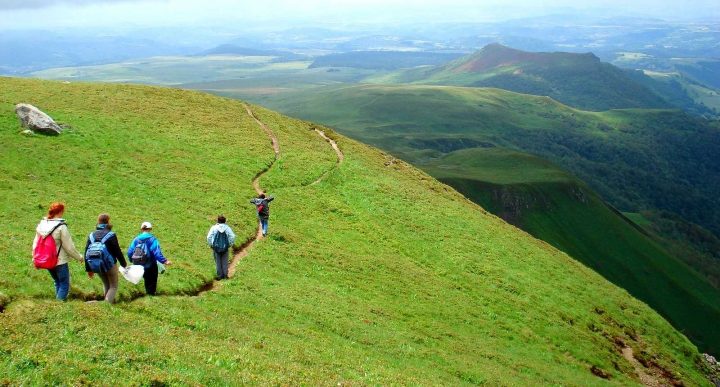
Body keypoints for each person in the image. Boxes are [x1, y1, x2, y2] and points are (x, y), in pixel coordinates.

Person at [32, 202, 84, 301]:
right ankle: (57, 305)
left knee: (57, 281)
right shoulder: (61, 227)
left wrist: (34, 257)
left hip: (46, 259)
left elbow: (35, 243)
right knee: (64, 284)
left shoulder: (41, 225)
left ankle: (57, 303)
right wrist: (79, 257)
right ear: (60, 212)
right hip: (59, 260)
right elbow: (69, 247)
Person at [84, 213, 127, 304]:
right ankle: (105, 305)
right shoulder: (111, 235)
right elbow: (117, 251)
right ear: (108, 221)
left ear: (98, 222)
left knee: (106, 283)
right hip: (110, 264)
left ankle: (107, 304)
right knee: (113, 286)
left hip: (96, 264)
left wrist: (89, 269)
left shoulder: (91, 235)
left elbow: (86, 252)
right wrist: (124, 264)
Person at [126, 222, 171, 296]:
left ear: (141, 229)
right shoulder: (152, 239)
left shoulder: (136, 239)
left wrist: (132, 260)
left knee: (146, 279)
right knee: (152, 281)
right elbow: (157, 252)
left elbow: (130, 252)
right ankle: (151, 296)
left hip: (139, 264)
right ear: (150, 229)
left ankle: (147, 295)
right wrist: (165, 261)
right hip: (151, 264)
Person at [206, 215, 236, 280]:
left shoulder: (214, 227)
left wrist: (211, 244)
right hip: (225, 247)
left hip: (216, 247)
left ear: (218, 221)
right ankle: (225, 275)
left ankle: (219, 276)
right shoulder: (227, 228)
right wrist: (230, 244)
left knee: (218, 262)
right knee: (225, 261)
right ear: (225, 221)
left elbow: (209, 237)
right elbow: (232, 236)